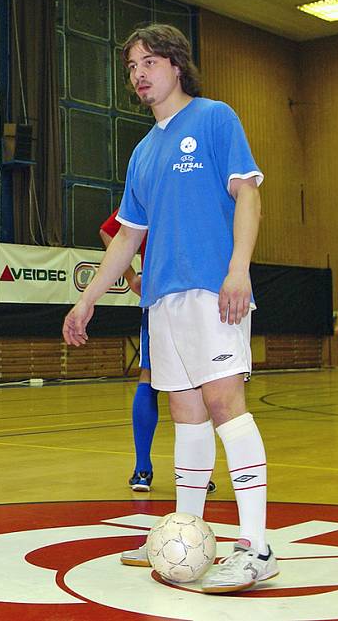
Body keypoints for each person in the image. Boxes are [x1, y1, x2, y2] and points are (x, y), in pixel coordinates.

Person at [63, 24, 277, 593]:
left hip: (213, 288)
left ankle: (257, 546)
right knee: (184, 413)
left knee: (224, 402)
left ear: (176, 65)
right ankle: (186, 536)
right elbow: (127, 237)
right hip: (162, 300)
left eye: (149, 61)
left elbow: (248, 195)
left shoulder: (214, 118)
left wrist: (238, 269)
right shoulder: (143, 152)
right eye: (131, 65)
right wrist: (85, 301)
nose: (139, 73)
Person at [100, 210, 216, 495]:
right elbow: (109, 230)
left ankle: (148, 470)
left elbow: (108, 230)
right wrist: (130, 276)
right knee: (186, 380)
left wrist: (130, 276)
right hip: (183, 295)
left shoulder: (155, 184)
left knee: (159, 378)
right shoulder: (164, 186)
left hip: (179, 294)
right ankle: (178, 469)